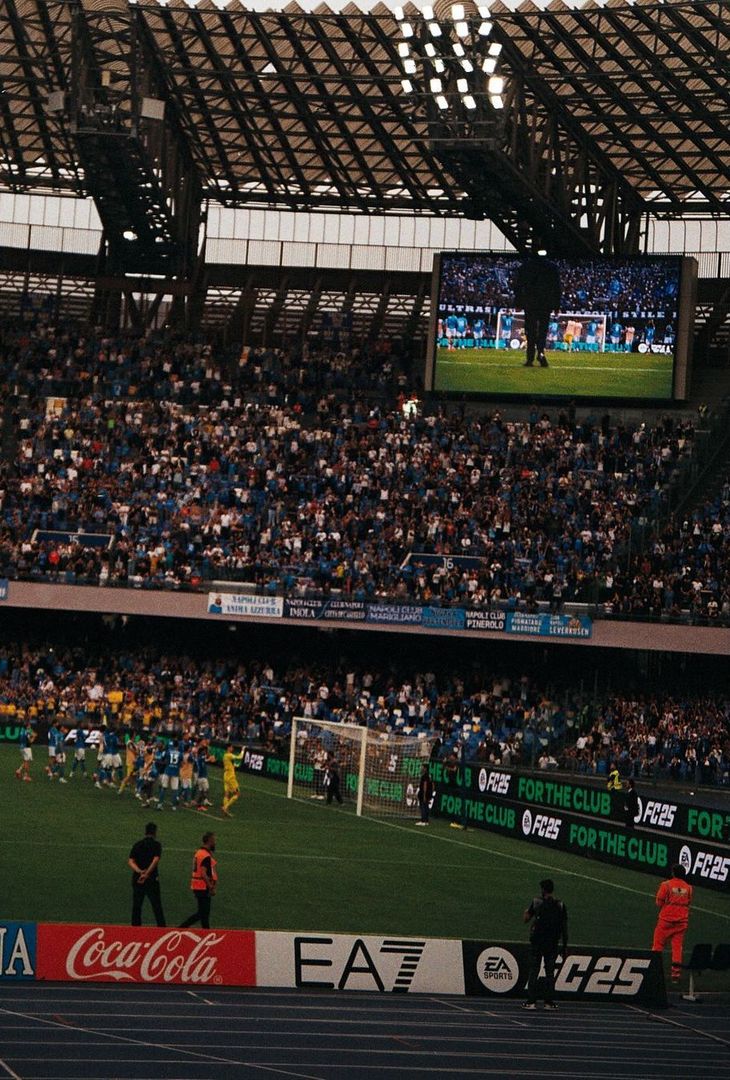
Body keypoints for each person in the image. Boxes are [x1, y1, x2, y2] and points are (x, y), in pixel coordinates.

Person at [522, 878, 568, 1010]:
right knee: (550, 973)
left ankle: (531, 1001)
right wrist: (564, 947)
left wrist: (526, 912)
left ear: (543, 889)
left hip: (537, 942)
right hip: (552, 943)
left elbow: (526, 919)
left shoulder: (537, 902)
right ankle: (549, 1002)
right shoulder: (560, 905)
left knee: (534, 971)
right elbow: (564, 928)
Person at [513, 254, 561, 368]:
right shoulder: (552, 267)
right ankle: (541, 353)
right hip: (545, 304)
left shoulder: (526, 267)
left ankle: (530, 358)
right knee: (542, 331)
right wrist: (556, 306)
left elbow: (519, 286)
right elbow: (557, 288)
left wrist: (518, 303)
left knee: (531, 331)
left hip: (531, 304)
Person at [652, 863, 693, 983]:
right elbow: (688, 903)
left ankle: (654, 971)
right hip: (681, 922)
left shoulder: (666, 885)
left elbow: (659, 902)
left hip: (666, 921)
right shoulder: (689, 888)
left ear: (673, 873)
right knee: (677, 948)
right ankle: (676, 974)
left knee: (658, 945)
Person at [128, 821, 165, 927]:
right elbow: (155, 860)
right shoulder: (156, 845)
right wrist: (147, 873)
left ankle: (135, 929)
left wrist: (140, 871)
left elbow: (130, 861)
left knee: (137, 906)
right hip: (152, 879)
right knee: (156, 905)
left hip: (137, 879)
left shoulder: (138, 844)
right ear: (155, 832)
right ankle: (162, 928)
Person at [179, 832, 217, 929]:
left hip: (197, 885)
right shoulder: (206, 856)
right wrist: (210, 886)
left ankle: (206, 931)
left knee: (204, 914)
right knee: (202, 913)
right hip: (202, 886)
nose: (215, 843)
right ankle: (181, 928)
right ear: (209, 841)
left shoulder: (199, 853)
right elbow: (203, 873)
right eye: (214, 840)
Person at [221, 745, 243, 817]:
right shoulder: (228, 755)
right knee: (237, 794)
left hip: (226, 776)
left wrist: (233, 767)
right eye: (231, 747)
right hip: (231, 777)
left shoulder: (224, 756)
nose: (232, 749)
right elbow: (239, 757)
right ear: (228, 748)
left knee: (226, 794)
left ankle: (225, 811)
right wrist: (243, 750)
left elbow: (229, 765)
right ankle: (225, 807)